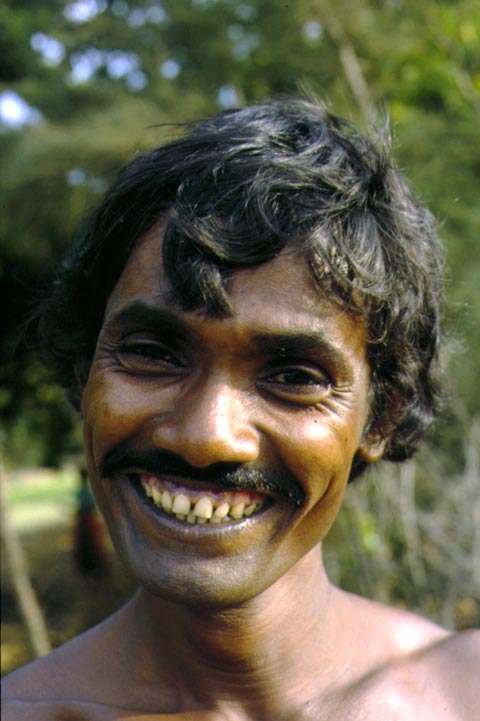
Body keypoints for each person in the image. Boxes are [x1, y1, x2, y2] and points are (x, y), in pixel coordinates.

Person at [2, 98, 478, 720]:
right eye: (152, 353)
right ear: (88, 366)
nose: (207, 436)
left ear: (381, 415)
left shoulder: (462, 693)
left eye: (294, 376)